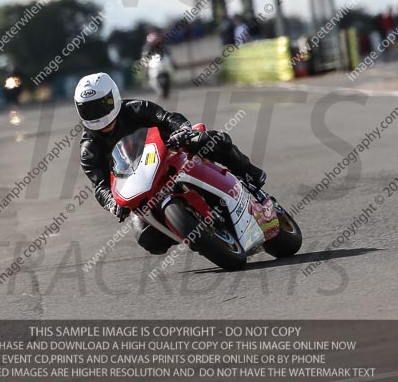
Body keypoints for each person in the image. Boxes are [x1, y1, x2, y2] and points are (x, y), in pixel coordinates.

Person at [75, 72, 266, 254]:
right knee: (147, 238)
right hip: (139, 186)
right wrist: (111, 202)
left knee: (209, 140)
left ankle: (249, 174)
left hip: (170, 153)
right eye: (88, 109)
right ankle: (198, 234)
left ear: (113, 97)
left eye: (100, 106)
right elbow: (100, 185)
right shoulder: (89, 149)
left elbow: (167, 118)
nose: (96, 114)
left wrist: (183, 130)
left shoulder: (135, 108)